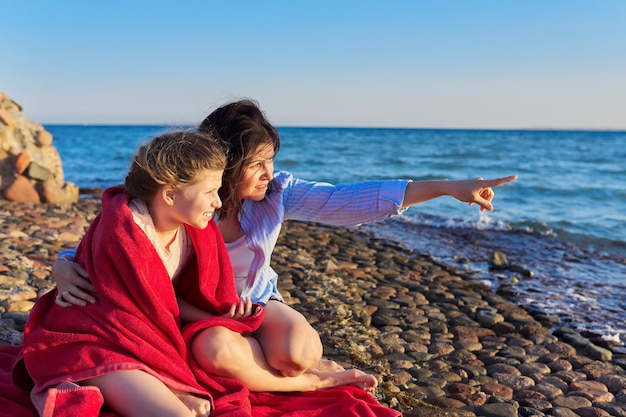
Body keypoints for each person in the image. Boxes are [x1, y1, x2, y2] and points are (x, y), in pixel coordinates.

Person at [52, 99, 517, 393]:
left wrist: (447, 187)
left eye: (272, 161)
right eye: (258, 164)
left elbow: (349, 200)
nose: (268, 173)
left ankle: (285, 367)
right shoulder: (191, 199)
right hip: (195, 313)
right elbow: (121, 243)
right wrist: (64, 263)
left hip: (256, 302)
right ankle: (306, 385)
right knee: (215, 353)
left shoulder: (277, 193)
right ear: (226, 164)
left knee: (297, 352)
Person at [17, 130, 261, 417]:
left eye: (217, 192)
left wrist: (217, 316)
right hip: (95, 337)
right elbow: (129, 313)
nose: (218, 203)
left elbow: (162, 302)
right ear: (170, 194)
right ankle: (74, 385)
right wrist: (175, 387)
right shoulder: (124, 231)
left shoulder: (193, 230)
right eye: (209, 192)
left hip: (134, 336)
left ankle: (127, 385)